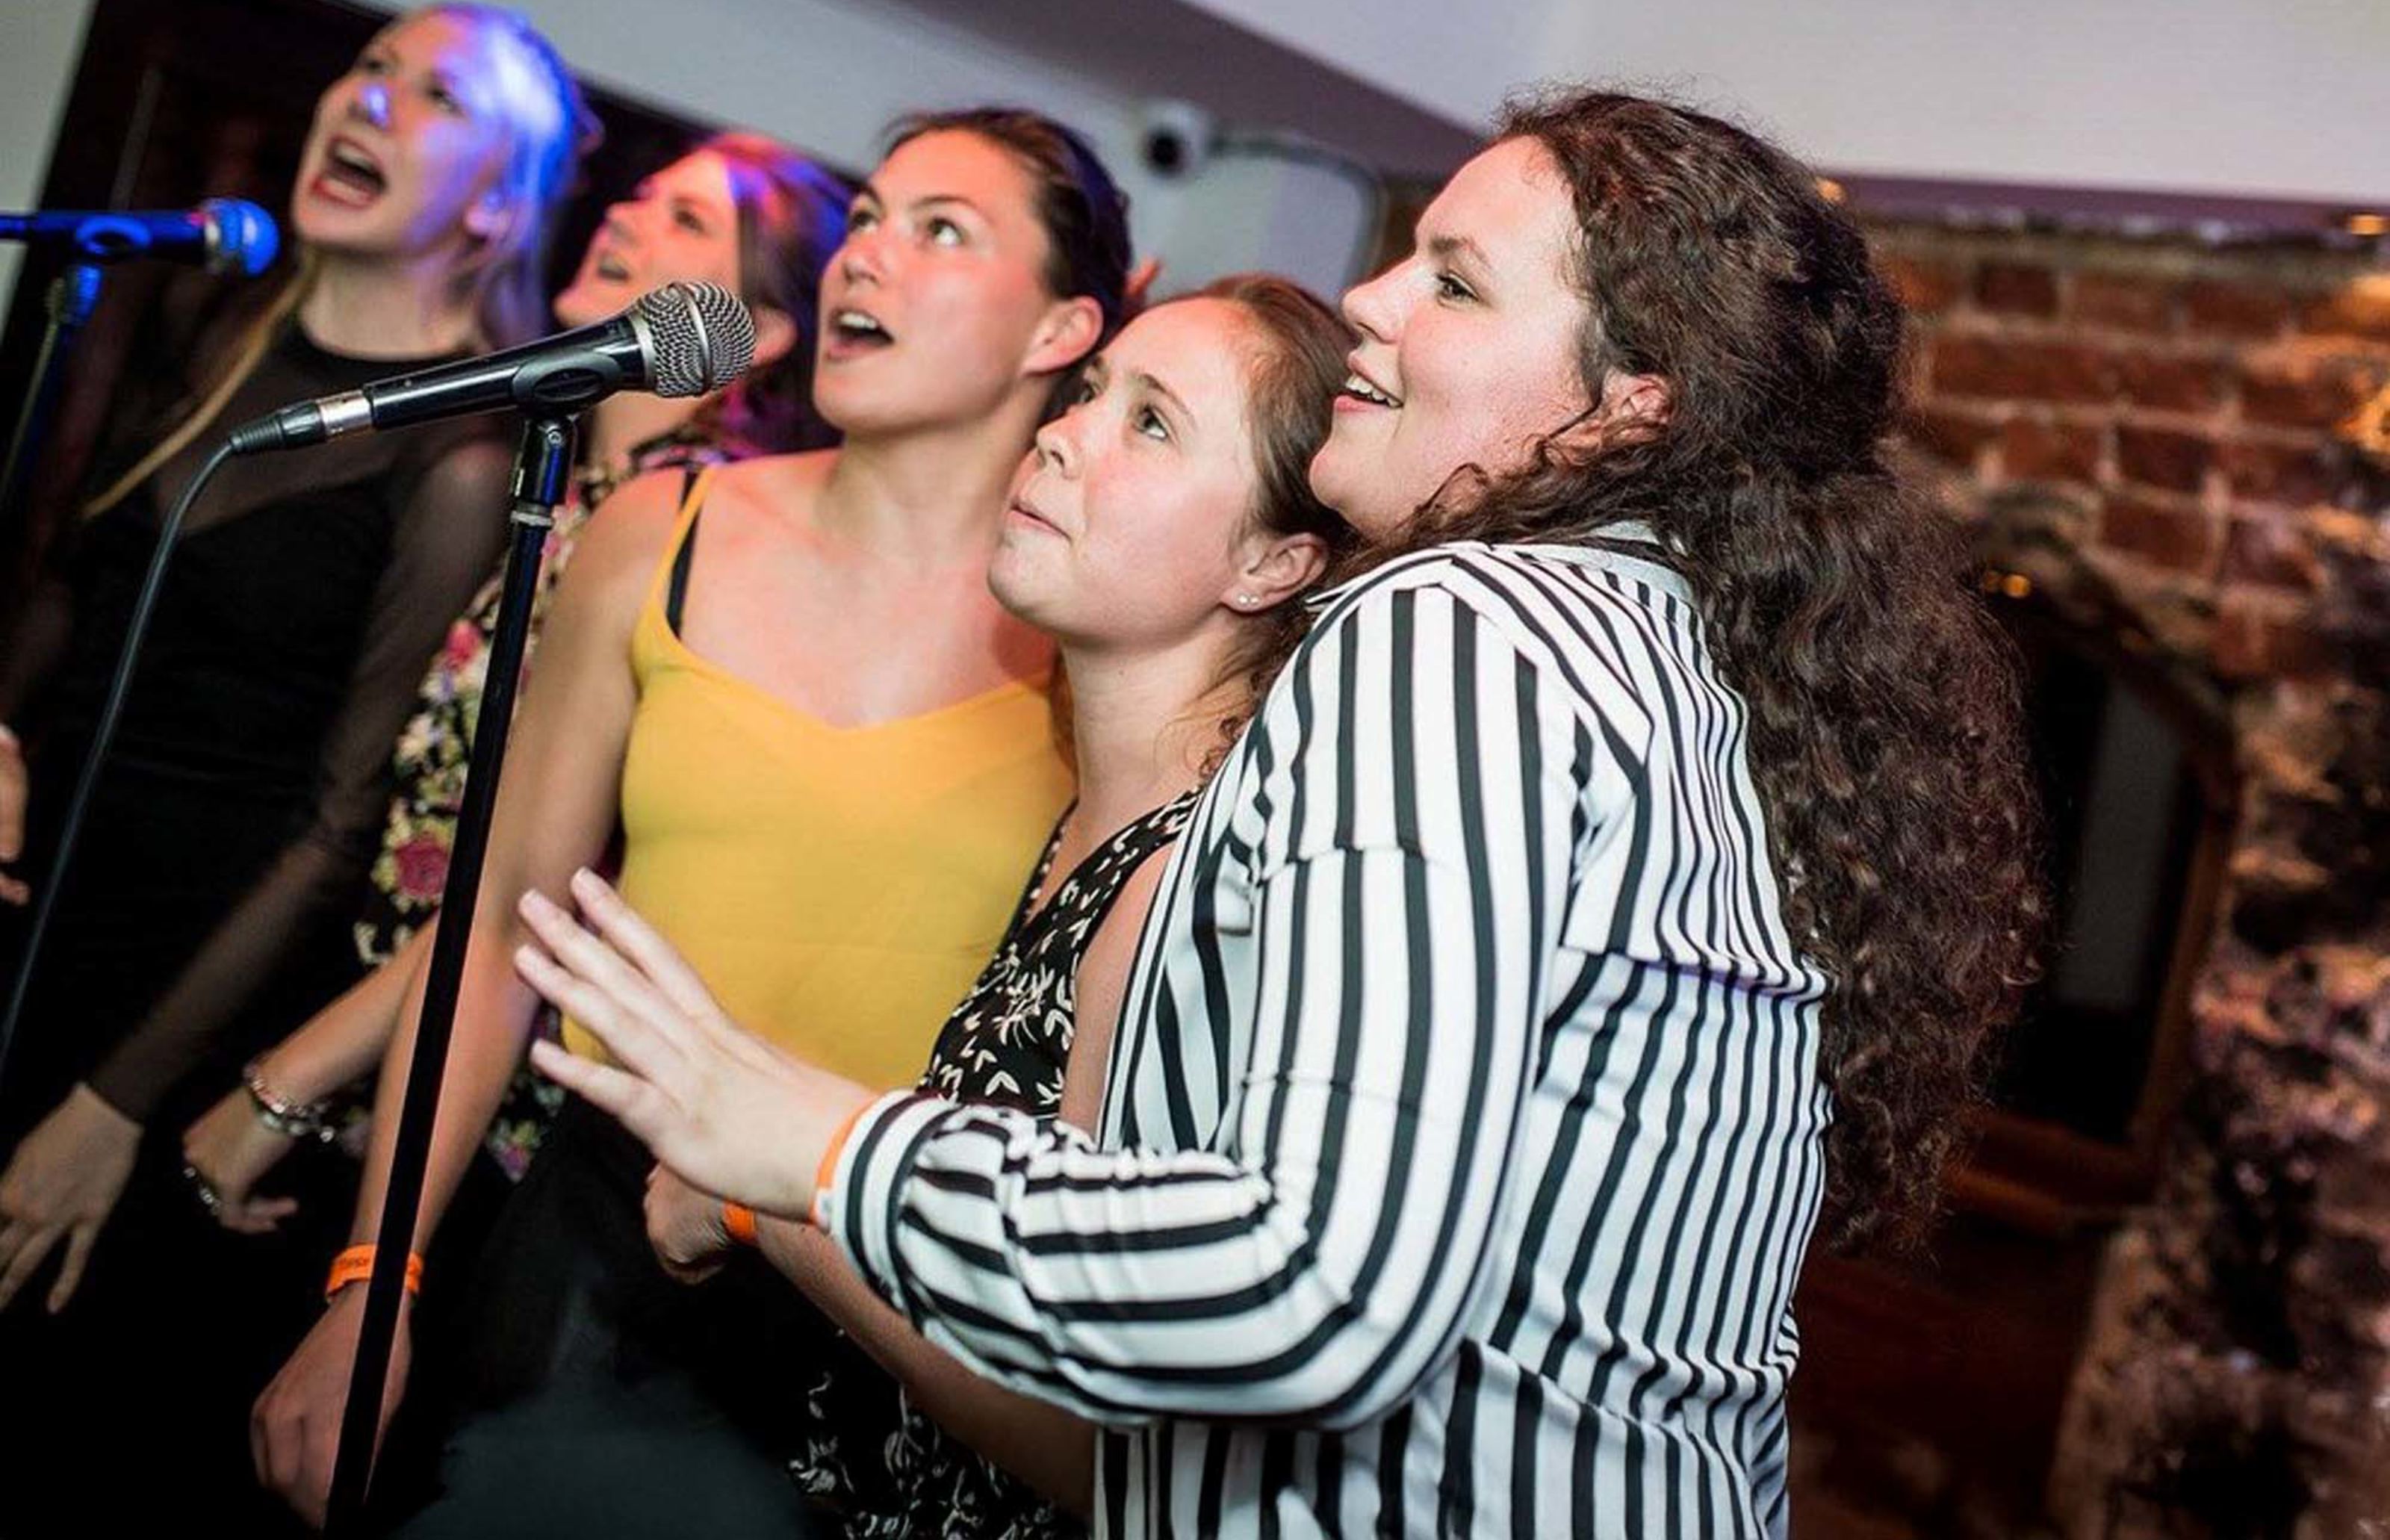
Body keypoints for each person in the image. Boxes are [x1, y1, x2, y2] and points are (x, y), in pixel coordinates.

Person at [520, 90, 2045, 1539]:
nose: (1371, 299)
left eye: (1455, 285)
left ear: (1623, 414)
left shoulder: (1466, 626)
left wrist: (814, 1150)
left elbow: (1319, 1294)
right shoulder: (1676, 658)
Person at [253, 108, 1133, 1533]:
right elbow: (500, 933)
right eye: (866, 219)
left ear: (1062, 329)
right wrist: (372, 1281)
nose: (867, 258)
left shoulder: (1104, 633)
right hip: (590, 1251)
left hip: (880, 1285)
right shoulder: (664, 528)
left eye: (942, 232)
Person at [629, 276, 1350, 1539]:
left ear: (1270, 563)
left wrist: (766, 1195)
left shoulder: (1174, 892)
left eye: (1152, 423)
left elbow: (1090, 1440)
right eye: (1091, 394)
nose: (1063, 434)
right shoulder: (1087, 821)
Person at [0, 0, 594, 1533]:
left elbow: (342, 821)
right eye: (372, 66)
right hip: (31, 898)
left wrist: (118, 1101)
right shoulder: (219, 338)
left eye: (438, 95)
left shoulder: (464, 461)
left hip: (183, 987)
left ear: (498, 206)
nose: (372, 99)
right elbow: (71, 585)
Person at [176, 129, 851, 1235]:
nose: (626, 215)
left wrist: (285, 1085)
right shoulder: (581, 490)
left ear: (761, 332)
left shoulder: (701, 531)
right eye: (640, 195)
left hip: (496, 1101)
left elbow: (547, 885)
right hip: (399, 1041)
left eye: (686, 219)